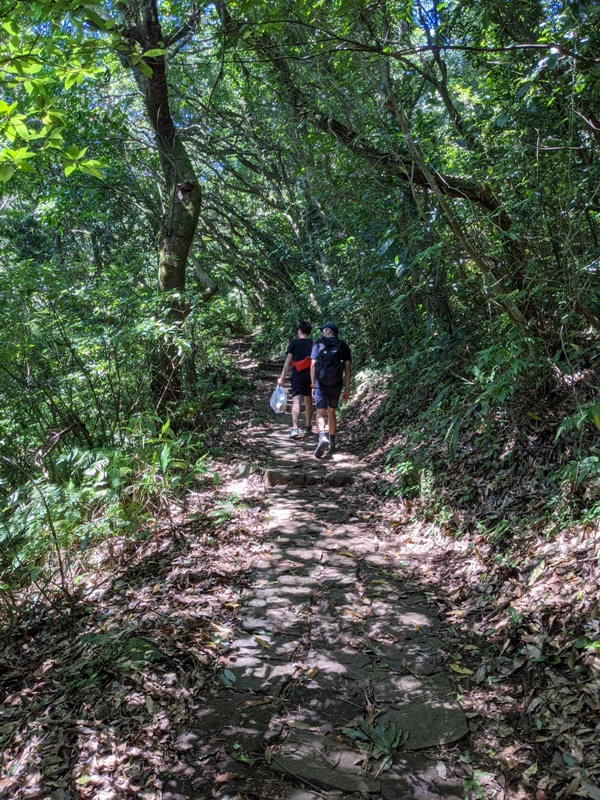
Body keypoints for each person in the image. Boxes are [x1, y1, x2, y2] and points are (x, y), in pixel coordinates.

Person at [310, 323, 351, 458]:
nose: (322, 332)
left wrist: (312, 384)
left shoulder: (318, 344)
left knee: (320, 411)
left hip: (320, 382)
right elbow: (347, 367)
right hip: (336, 383)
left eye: (324, 330)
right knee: (331, 411)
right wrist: (347, 388)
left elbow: (313, 364)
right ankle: (332, 443)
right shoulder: (343, 345)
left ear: (328, 331)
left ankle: (322, 436)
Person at [277, 322, 314, 438]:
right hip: (310, 376)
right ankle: (307, 426)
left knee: (296, 401)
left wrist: (282, 377)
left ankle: (294, 428)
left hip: (297, 375)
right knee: (308, 402)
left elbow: (288, 362)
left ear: (300, 331)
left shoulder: (294, 343)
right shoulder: (313, 344)